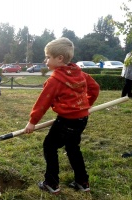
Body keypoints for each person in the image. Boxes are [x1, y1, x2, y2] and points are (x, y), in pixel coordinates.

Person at [24, 37, 100, 194]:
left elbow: (43, 103)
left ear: (59, 58)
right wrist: (85, 106)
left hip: (66, 121)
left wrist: (32, 122)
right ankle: (82, 182)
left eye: (48, 57)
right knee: (73, 148)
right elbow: (95, 88)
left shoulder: (55, 80)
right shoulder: (80, 73)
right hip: (82, 119)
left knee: (49, 146)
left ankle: (51, 183)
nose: (45, 60)